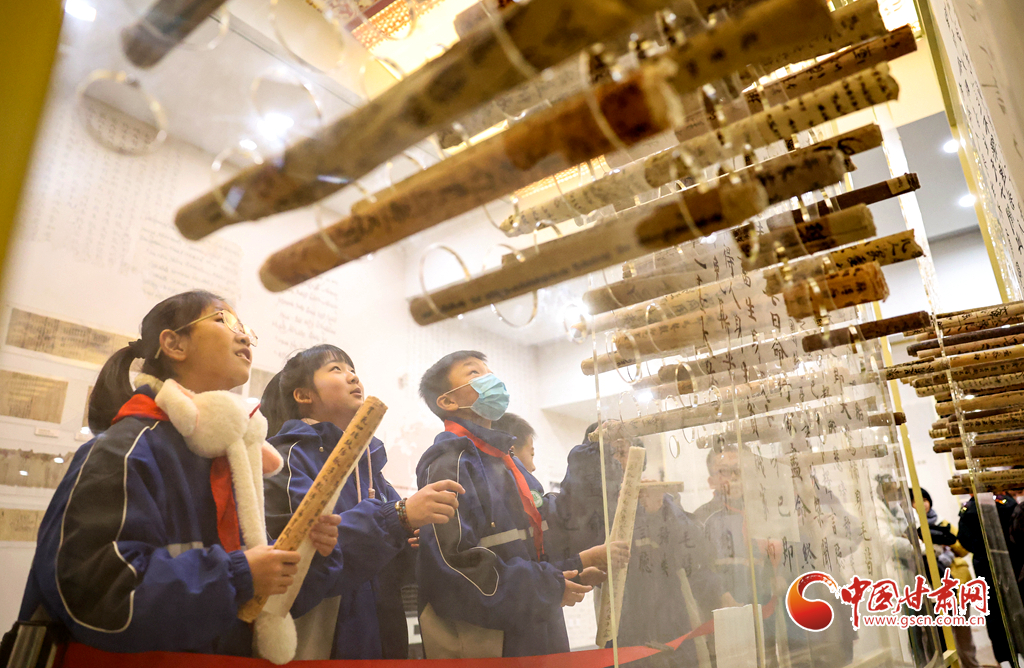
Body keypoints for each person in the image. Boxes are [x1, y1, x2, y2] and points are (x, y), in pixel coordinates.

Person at [18, 291, 313, 655]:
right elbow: (101, 594)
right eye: (223, 320)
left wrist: (309, 550)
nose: (244, 336)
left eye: (245, 328)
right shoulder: (126, 450)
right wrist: (237, 575)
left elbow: (250, 585)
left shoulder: (226, 455)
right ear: (174, 344)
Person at [260, 345, 464, 660]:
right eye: (336, 369)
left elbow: (394, 559)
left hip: (383, 637)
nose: (353, 377)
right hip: (322, 641)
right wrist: (399, 516)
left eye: (353, 369)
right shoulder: (286, 460)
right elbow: (303, 558)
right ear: (303, 395)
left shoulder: (370, 468)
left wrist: (414, 543)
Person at [415, 351, 591, 658]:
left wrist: (574, 567)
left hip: (537, 619)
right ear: (448, 401)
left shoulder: (507, 461)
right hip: (494, 637)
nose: (491, 378)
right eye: (474, 372)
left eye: (489, 371)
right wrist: (544, 587)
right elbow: (456, 565)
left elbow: (541, 539)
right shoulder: (450, 462)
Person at [914, 488, 980, 668]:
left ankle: (972, 666)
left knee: (964, 635)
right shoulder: (913, 530)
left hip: (957, 584)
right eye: (917, 501)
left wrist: (946, 542)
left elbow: (964, 549)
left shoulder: (943, 523)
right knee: (941, 638)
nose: (922, 504)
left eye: (925, 499)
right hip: (933, 589)